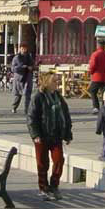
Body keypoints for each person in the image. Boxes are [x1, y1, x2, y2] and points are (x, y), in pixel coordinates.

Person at [27, 73, 73, 201]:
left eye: (57, 81)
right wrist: (35, 134)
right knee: (42, 163)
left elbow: (66, 116)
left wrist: (68, 134)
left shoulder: (58, 97)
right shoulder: (38, 97)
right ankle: (43, 188)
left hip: (56, 135)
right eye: (54, 81)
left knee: (59, 160)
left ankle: (54, 185)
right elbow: (31, 117)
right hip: (41, 136)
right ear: (47, 82)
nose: (57, 83)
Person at [88, 39, 105, 114]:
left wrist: (91, 72)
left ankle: (96, 107)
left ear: (98, 45)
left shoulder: (95, 54)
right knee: (104, 92)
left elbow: (92, 65)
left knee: (92, 91)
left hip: (96, 76)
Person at [11, 43, 35, 114]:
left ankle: (27, 109)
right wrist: (22, 67)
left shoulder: (29, 57)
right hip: (19, 78)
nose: (24, 50)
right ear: (20, 49)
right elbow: (13, 68)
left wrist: (32, 68)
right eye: (22, 48)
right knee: (18, 95)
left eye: (25, 48)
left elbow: (33, 65)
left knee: (28, 94)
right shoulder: (16, 57)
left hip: (27, 77)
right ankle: (14, 107)